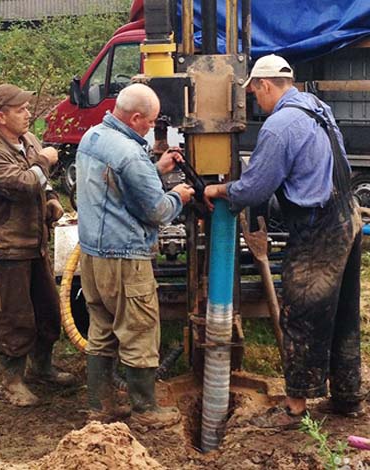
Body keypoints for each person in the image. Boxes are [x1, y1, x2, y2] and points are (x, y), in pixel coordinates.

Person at [204, 54, 363, 427]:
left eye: (254, 93)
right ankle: (347, 395)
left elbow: (255, 186)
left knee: (302, 313)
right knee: (342, 311)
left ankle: (294, 407)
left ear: (266, 85)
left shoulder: (279, 125)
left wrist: (219, 188)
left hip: (318, 228)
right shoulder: (315, 106)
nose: (254, 101)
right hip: (347, 214)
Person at [76, 83, 194, 428]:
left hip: (93, 255)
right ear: (137, 117)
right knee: (139, 330)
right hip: (126, 257)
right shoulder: (129, 152)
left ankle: (100, 406)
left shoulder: (93, 137)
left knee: (102, 328)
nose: (151, 128)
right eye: (151, 122)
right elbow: (157, 211)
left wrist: (155, 168)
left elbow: (118, 183)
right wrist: (179, 196)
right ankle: (145, 411)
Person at [0, 84, 75, 407]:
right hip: (6, 247)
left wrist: (52, 200)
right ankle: (12, 380)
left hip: (35, 242)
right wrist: (44, 161)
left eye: (28, 108)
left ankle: (41, 367)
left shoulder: (27, 141)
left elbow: (40, 186)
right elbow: (21, 183)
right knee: (15, 316)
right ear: (1, 116)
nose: (29, 114)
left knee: (47, 310)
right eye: (21, 110)